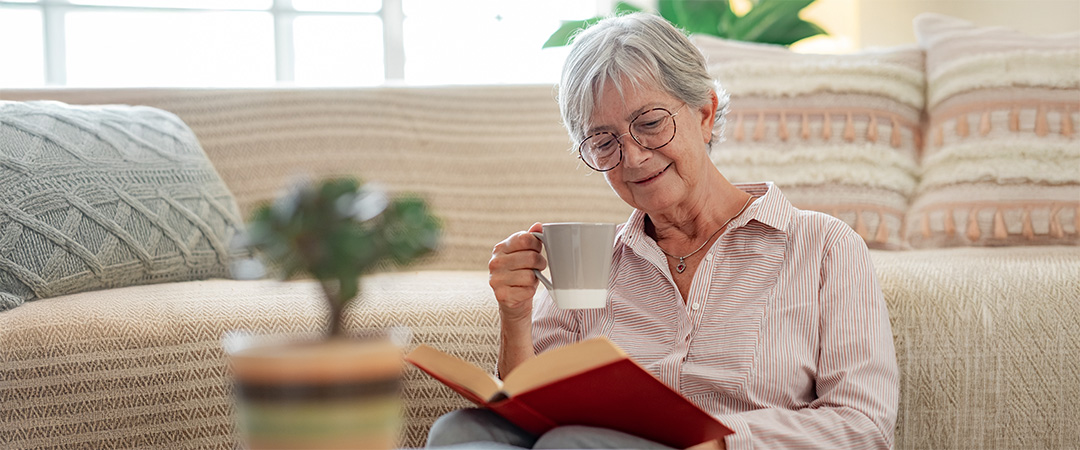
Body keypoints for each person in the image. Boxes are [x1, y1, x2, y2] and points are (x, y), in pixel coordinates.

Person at [426, 12, 898, 450]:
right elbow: (527, 405)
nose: (632, 157)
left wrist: (717, 442)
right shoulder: (594, 260)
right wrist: (515, 315)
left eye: (650, 124)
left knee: (567, 445)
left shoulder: (823, 246)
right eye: (603, 142)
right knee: (459, 430)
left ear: (705, 113)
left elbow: (863, 423)